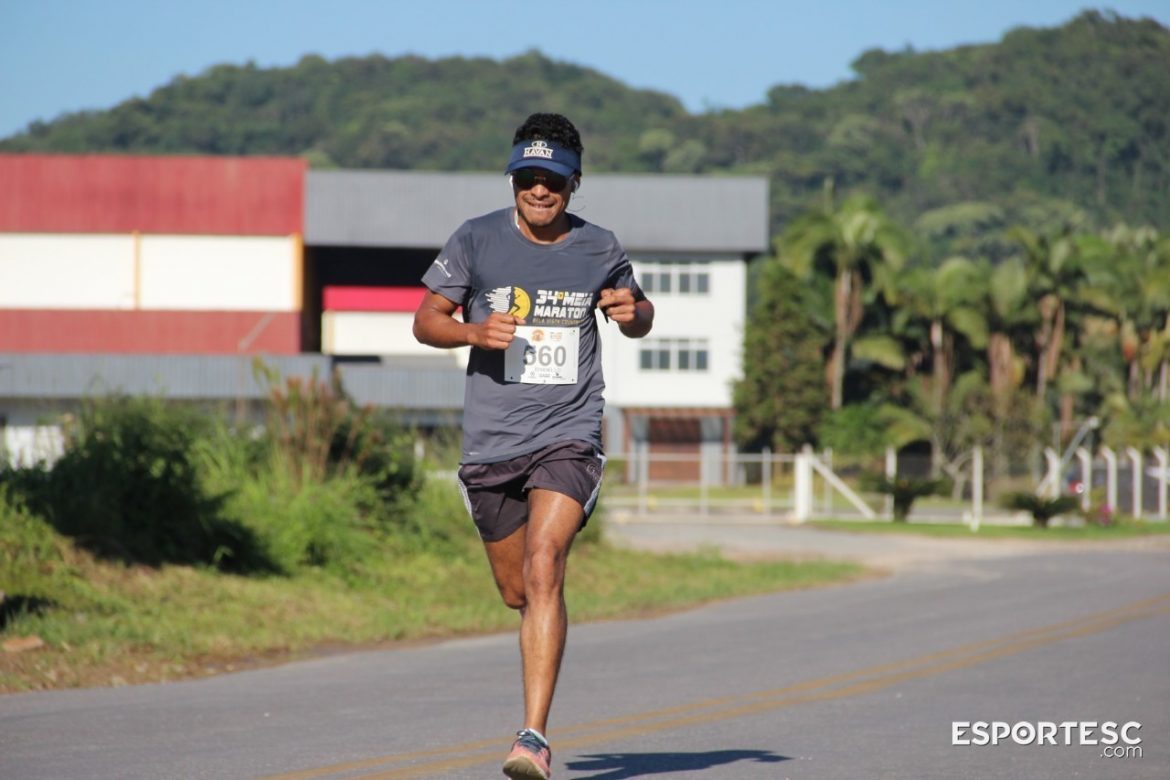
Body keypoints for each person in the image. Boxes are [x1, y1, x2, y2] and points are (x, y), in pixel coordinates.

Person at [413, 112, 654, 780]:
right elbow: (426, 320)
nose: (539, 190)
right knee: (518, 589)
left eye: (552, 179)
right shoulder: (476, 239)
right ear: (513, 179)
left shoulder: (599, 245)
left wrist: (633, 314)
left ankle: (533, 738)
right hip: (492, 444)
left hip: (568, 434)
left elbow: (637, 311)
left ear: (574, 182)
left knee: (546, 564)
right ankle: (537, 647)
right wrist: (472, 333)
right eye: (527, 178)